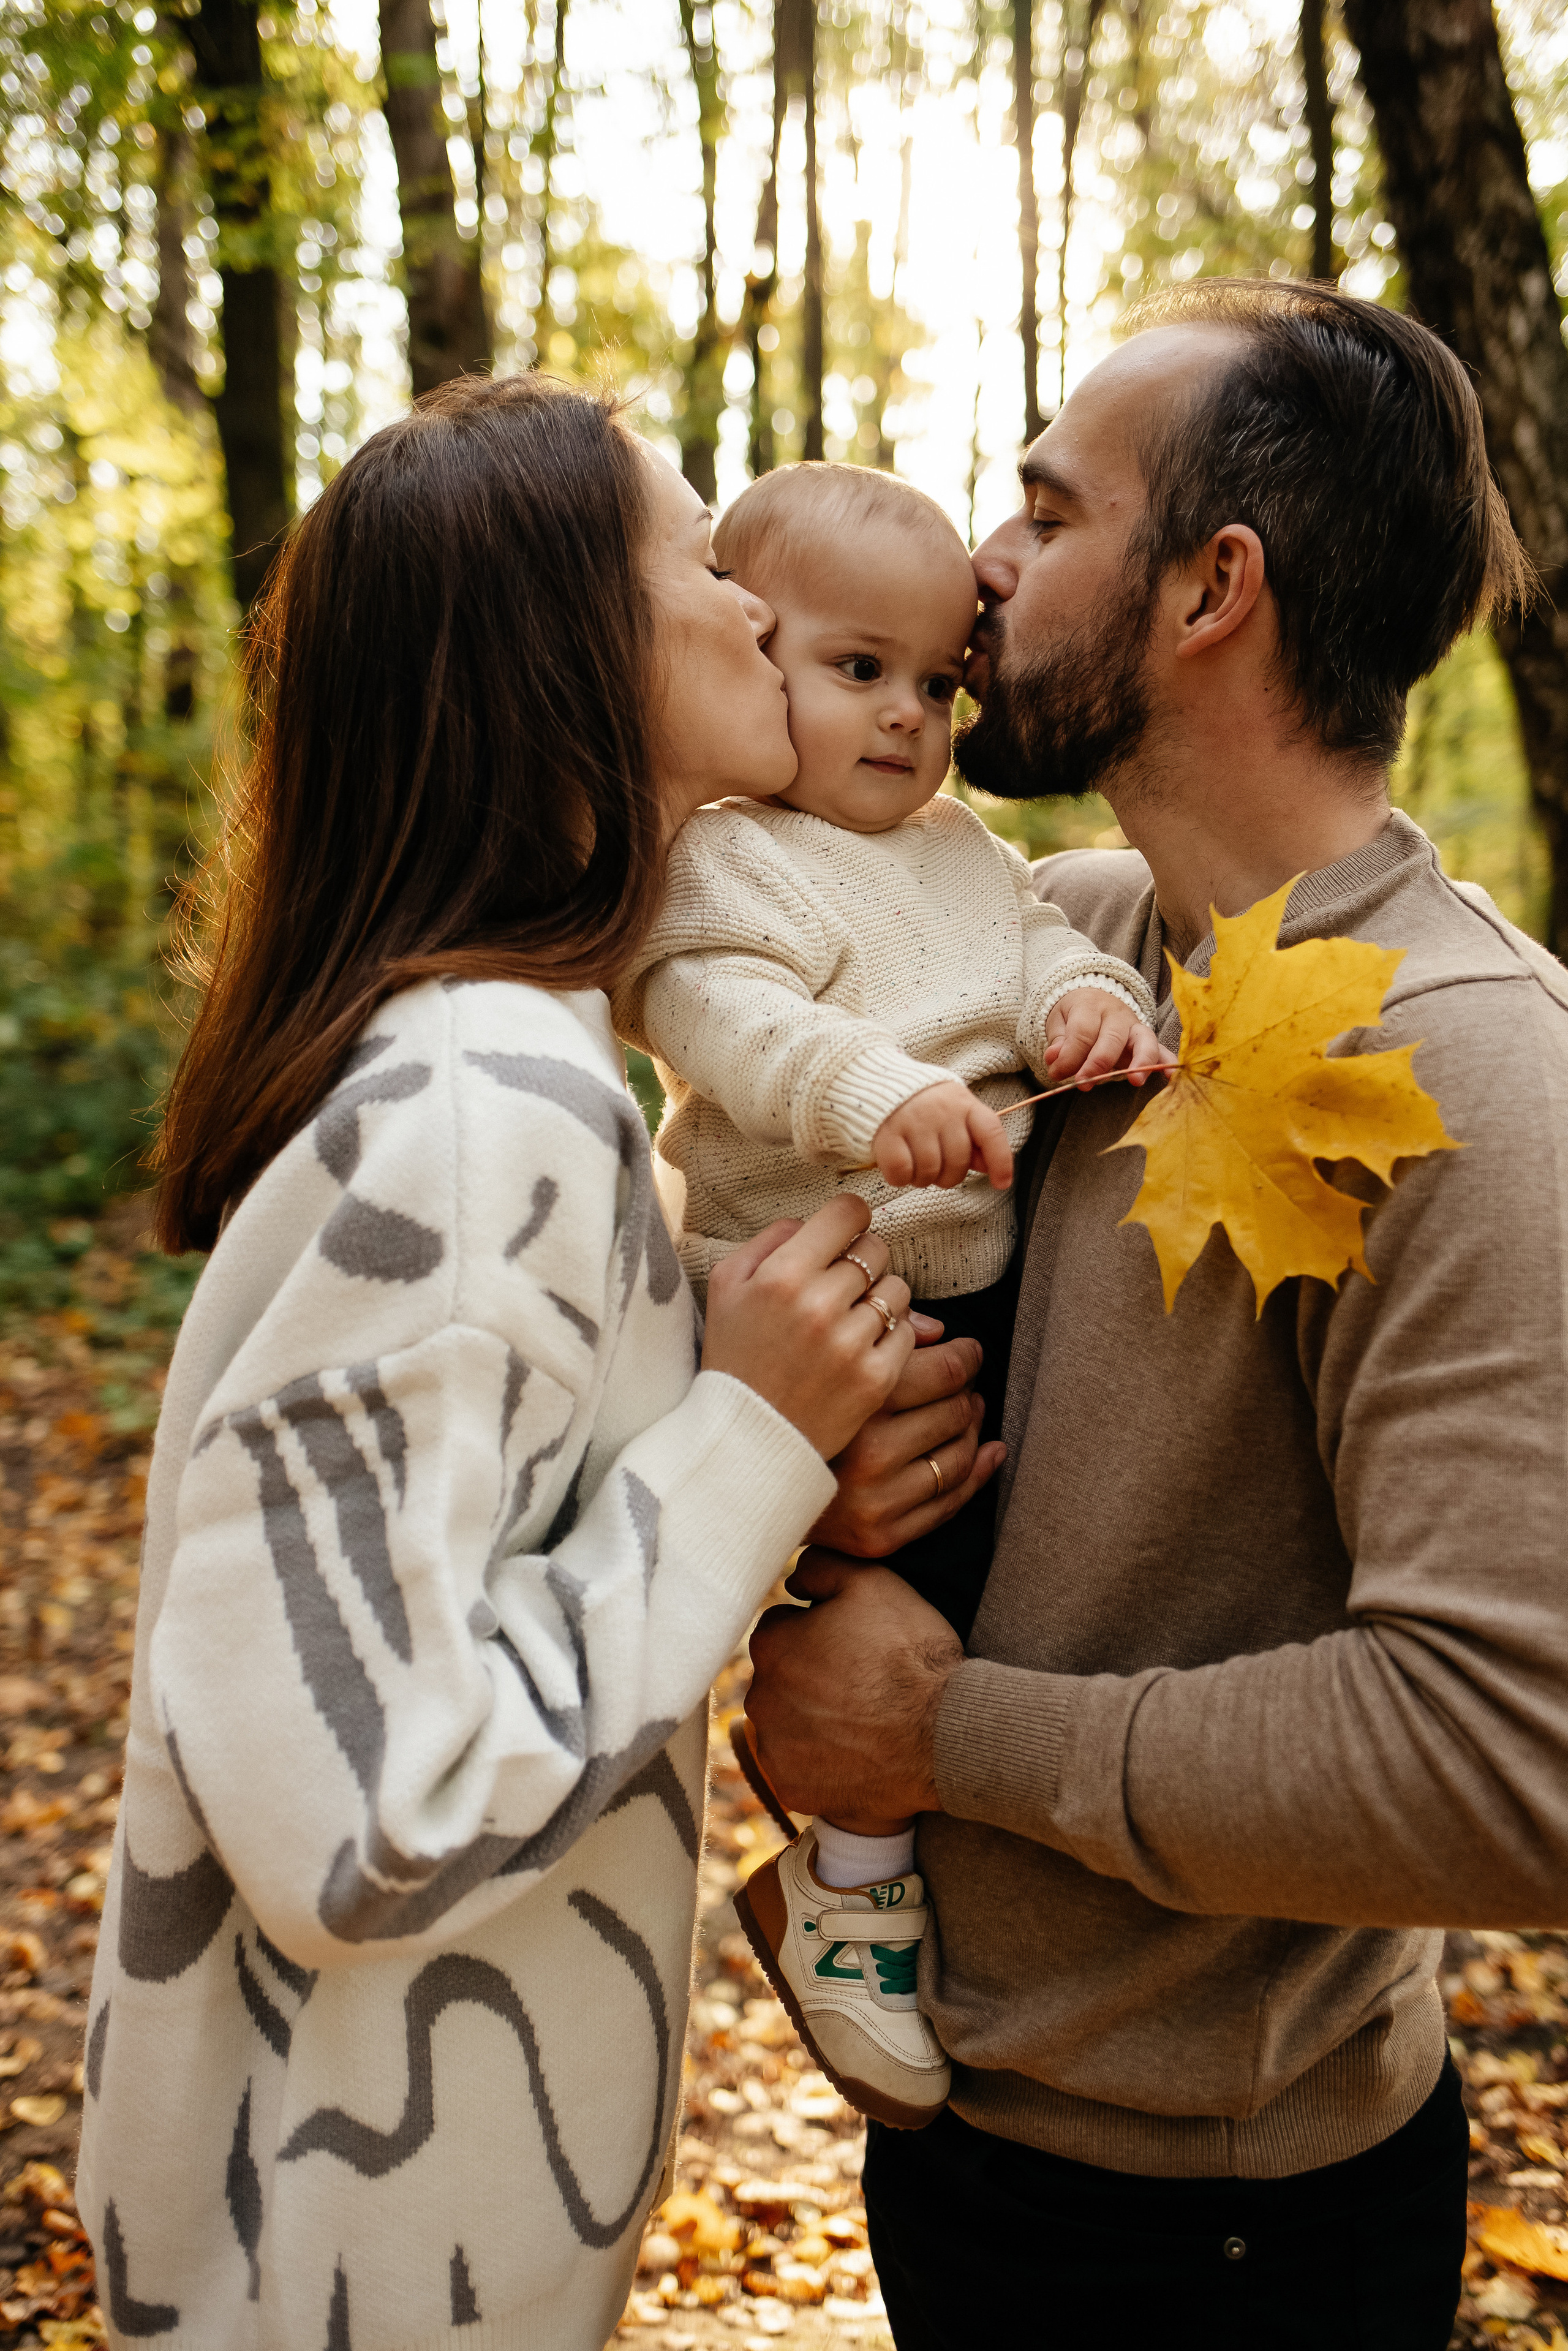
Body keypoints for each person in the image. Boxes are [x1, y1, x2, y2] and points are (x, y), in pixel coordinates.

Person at [75, 374, 947, 2351]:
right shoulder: (483, 1108)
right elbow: (370, 1817)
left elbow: (488, 1596)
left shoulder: (531, 1074)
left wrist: (774, 1436)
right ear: (560, 651)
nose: (747, 603)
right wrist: (743, 1444)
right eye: (690, 559)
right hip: (336, 2275)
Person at [742, 279, 1568, 2349]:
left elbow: (1515, 1766)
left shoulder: (1479, 1072)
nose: (982, 562)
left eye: (1044, 510)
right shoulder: (1064, 948)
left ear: (1215, 587)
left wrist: (942, 1734)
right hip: (968, 2142)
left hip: (1223, 2235)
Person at [611, 459, 1164, 2134]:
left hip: (966, 1305)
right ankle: (851, 1891)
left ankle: (928, 1871)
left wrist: (1084, 1008)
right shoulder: (729, 860)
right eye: (861, 670)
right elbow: (708, 1013)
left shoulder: (966, 854)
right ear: (754, 648)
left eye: (939, 681)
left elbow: (1039, 951)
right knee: (884, 1606)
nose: (910, 717)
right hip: (797, 1300)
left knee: (997, 1586)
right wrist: (865, 1090)